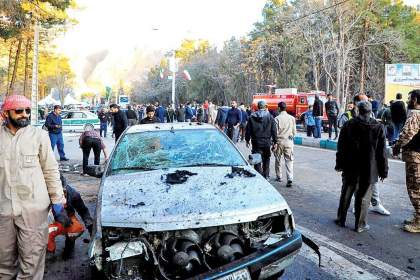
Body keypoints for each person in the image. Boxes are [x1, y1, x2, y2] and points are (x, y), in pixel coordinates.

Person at [0, 94, 68, 279]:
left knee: (31, 263)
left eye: (28, 111)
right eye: (19, 111)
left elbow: (51, 170)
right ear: (6, 113)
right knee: (3, 265)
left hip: (33, 211)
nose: (25, 115)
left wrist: (57, 201)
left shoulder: (39, 136)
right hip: (3, 212)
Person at [335, 101, 388, 233]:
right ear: (371, 111)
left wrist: (339, 165)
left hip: (350, 167)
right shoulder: (378, 127)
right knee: (364, 197)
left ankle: (341, 219)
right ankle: (360, 225)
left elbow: (341, 147)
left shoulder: (348, 125)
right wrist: (383, 171)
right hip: (369, 169)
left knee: (346, 193)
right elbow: (382, 152)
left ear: (358, 110)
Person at [393, 89, 420, 233]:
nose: (408, 101)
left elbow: (407, 133)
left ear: (415, 100)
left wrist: (397, 146)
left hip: (415, 156)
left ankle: (419, 221)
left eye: (410, 98)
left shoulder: (415, 114)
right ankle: (417, 217)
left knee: (415, 188)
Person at [48, 173, 94, 258]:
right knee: (44, 233)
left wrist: (91, 227)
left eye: (63, 192)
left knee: (75, 229)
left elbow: (83, 211)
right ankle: (48, 250)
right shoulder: (43, 195)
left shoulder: (73, 194)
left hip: (67, 220)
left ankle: (69, 246)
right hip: (49, 221)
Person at [245, 100, 277, 179]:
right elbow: (274, 130)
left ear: (258, 107)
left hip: (256, 142)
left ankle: (259, 176)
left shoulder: (252, 117)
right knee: (266, 159)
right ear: (265, 107)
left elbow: (248, 130)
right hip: (266, 142)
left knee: (256, 159)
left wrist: (247, 140)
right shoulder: (270, 117)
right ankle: (266, 176)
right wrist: (275, 141)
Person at [274, 102, 296, 187]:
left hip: (279, 142)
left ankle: (279, 176)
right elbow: (294, 132)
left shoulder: (277, 119)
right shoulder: (292, 118)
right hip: (289, 142)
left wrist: (274, 143)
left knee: (278, 160)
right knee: (289, 160)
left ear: (279, 108)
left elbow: (275, 133)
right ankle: (290, 178)